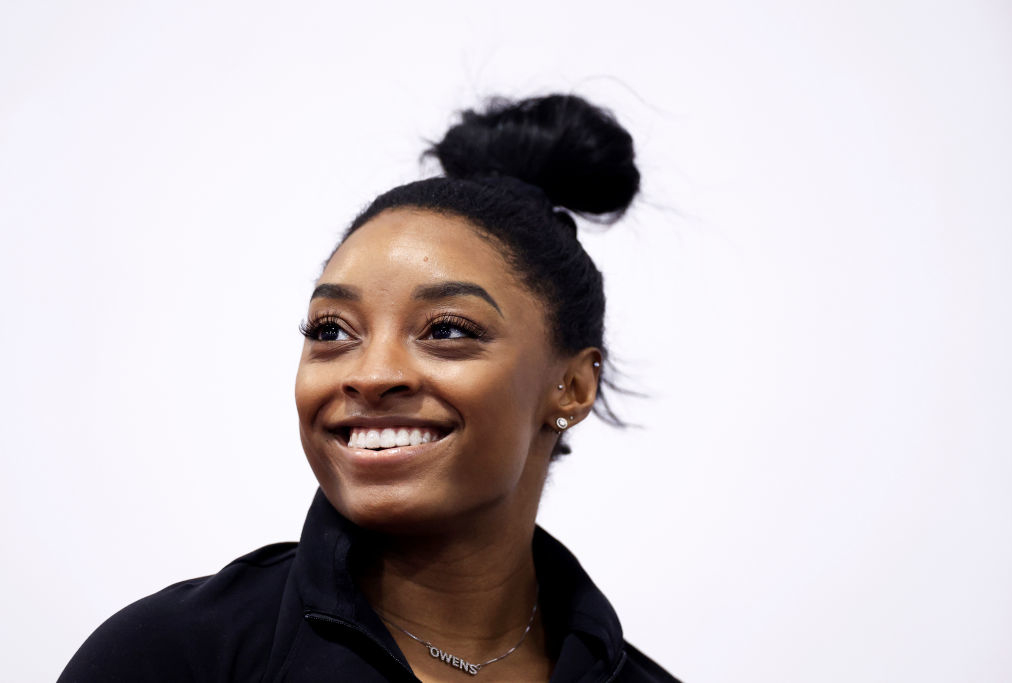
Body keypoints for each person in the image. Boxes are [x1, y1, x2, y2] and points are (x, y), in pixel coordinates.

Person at [59, 94, 680, 682]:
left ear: (571, 386)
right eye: (331, 330)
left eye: (446, 329)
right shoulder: (171, 658)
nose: (372, 374)